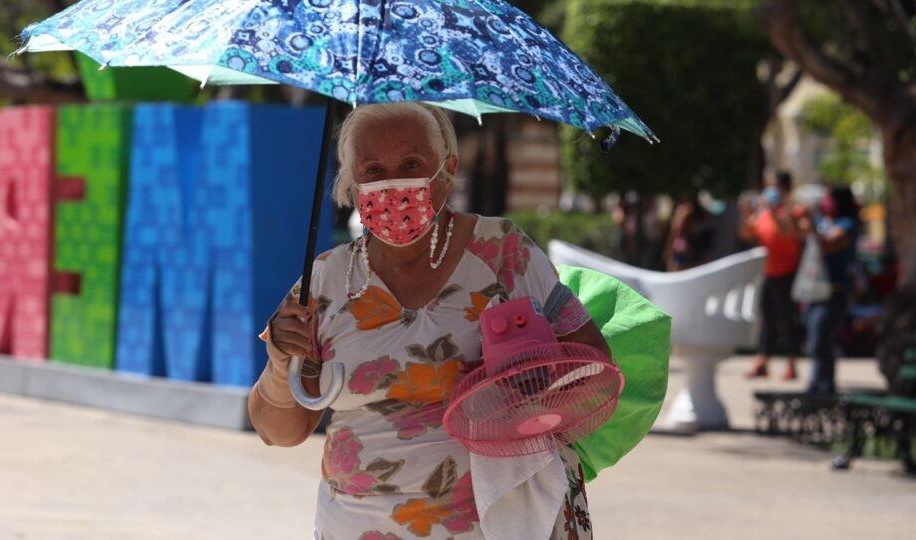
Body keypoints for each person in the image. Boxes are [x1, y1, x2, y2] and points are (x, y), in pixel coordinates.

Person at [248, 103, 610, 539]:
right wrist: (277, 364)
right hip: (354, 526)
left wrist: (514, 387)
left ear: (448, 169)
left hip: (495, 523)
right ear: (351, 180)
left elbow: (594, 370)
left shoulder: (504, 252)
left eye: (411, 164)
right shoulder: (324, 280)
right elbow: (278, 432)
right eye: (373, 168)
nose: (392, 183)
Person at [739, 171, 805, 380]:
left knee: (787, 320)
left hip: (788, 274)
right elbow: (746, 233)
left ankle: (792, 363)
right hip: (767, 274)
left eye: (774, 186)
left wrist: (774, 213)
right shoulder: (762, 214)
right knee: (767, 320)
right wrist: (747, 213)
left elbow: (788, 234)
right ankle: (763, 360)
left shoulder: (794, 211)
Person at [799, 185, 860, 395]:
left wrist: (812, 225)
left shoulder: (847, 224)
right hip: (816, 291)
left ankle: (824, 387)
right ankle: (817, 385)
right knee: (815, 341)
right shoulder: (826, 222)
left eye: (829, 198)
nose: (825, 202)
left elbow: (828, 244)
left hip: (835, 292)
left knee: (821, 340)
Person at [663, 196, 714, 271]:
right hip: (682, 256)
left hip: (690, 260)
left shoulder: (686, 211)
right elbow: (675, 231)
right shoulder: (684, 210)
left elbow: (675, 230)